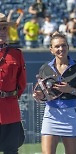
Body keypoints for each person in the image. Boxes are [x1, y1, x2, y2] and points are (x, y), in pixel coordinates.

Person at [33, 32, 76, 154]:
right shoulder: (45, 68)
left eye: (63, 45)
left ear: (68, 47)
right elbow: (46, 94)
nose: (61, 49)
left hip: (70, 115)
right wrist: (40, 96)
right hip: (50, 115)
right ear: (51, 50)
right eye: (57, 46)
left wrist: (70, 90)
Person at [0, 13, 27, 154]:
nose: (3, 32)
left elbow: (21, 84)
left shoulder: (16, 54)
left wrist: (8, 96)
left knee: (11, 150)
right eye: (0, 28)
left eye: (5, 28)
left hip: (10, 110)